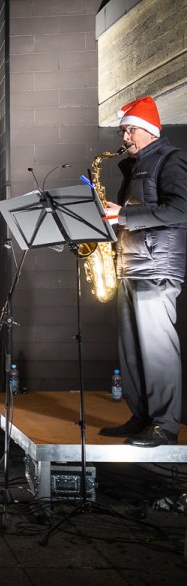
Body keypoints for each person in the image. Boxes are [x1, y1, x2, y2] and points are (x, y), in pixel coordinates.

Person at [99, 96, 187, 447]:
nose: (124, 137)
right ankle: (142, 417)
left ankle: (165, 424)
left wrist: (123, 215)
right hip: (131, 266)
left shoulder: (170, 159)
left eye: (129, 130)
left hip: (157, 267)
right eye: (123, 131)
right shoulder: (135, 167)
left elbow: (180, 209)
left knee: (158, 350)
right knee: (132, 350)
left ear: (149, 130)